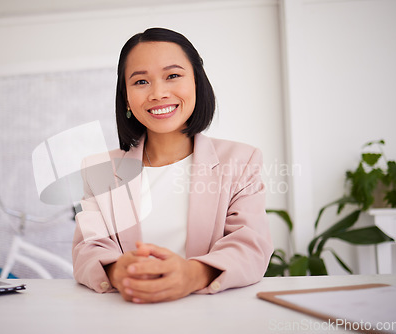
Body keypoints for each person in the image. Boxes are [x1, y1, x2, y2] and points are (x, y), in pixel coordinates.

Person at [72, 27, 273, 304]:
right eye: (141, 82)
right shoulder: (99, 169)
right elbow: (88, 248)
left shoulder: (241, 160)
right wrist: (120, 271)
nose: (158, 93)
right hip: (126, 313)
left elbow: (251, 246)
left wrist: (192, 274)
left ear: (197, 83)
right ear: (126, 97)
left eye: (173, 76)